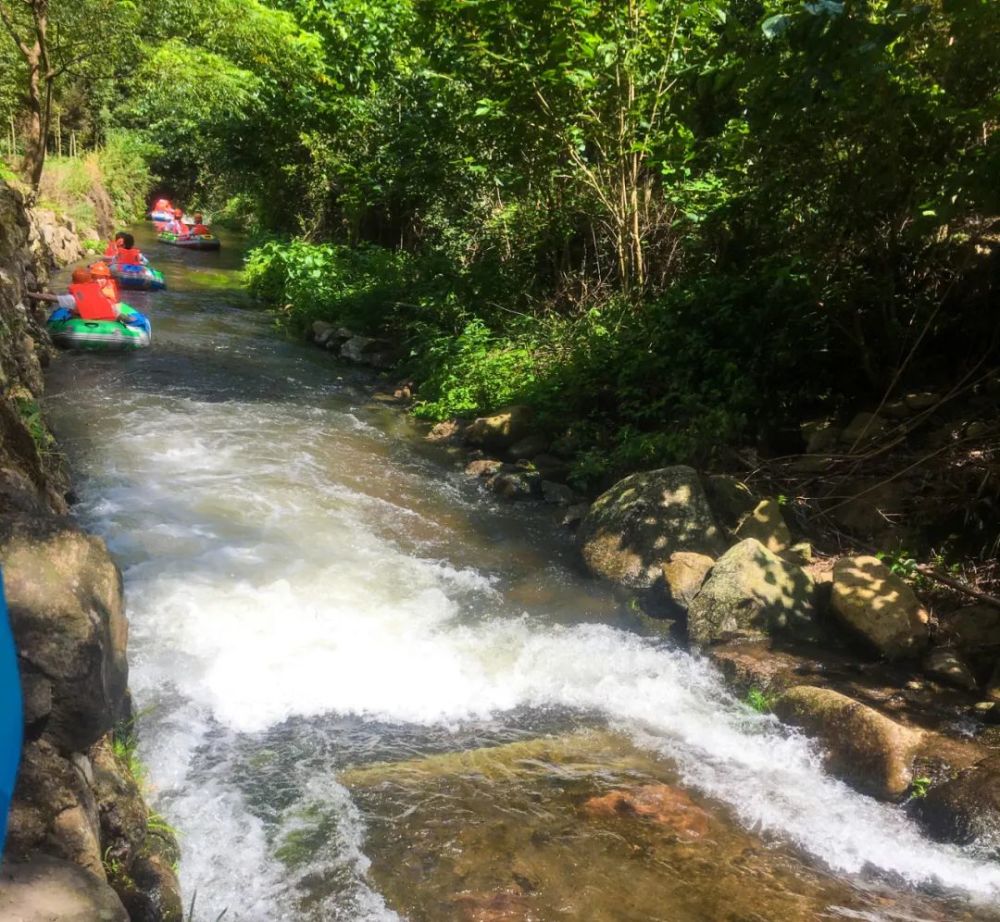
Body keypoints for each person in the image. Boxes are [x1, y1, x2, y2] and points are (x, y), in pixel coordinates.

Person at [26, 268, 132, 322]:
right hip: (108, 321)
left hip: (84, 323)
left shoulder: (73, 298)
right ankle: (130, 321)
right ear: (90, 280)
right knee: (116, 312)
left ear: (74, 282)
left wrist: (28, 294)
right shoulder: (100, 292)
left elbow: (48, 297)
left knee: (71, 313)